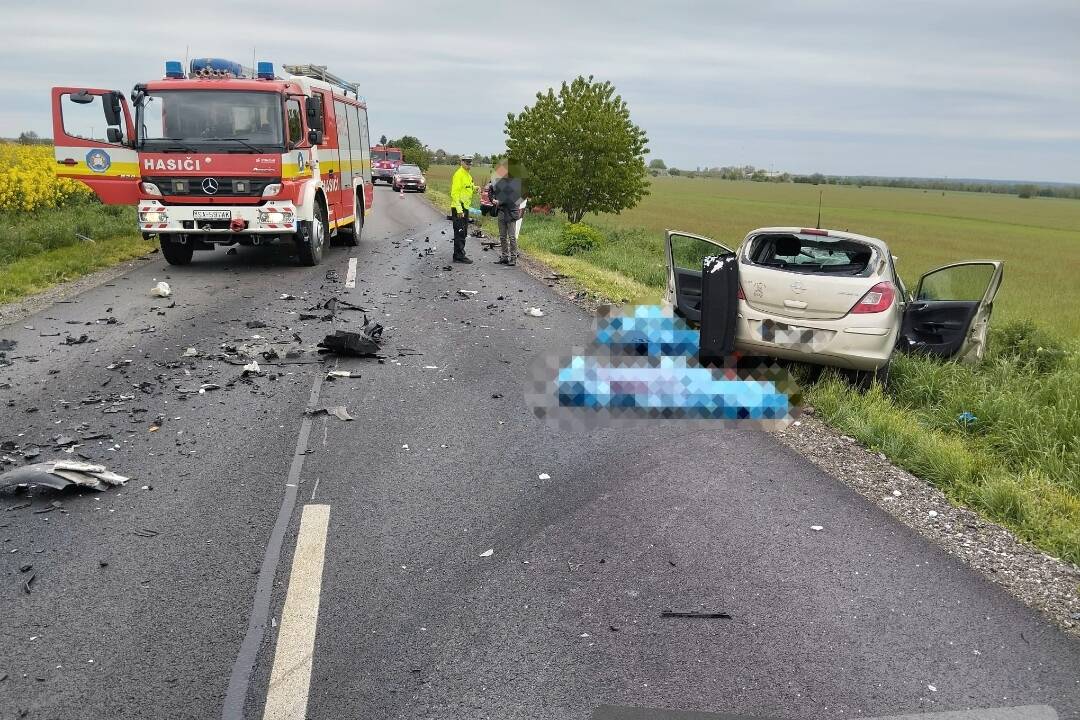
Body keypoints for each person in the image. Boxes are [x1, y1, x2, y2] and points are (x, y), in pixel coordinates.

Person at [491, 160, 524, 265]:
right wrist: (492, 198)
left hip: (511, 213)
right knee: (502, 236)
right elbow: (490, 190)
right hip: (501, 211)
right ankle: (505, 256)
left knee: (512, 237)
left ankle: (513, 258)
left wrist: (498, 201)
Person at [449, 156, 477, 263]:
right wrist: (459, 209)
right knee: (460, 231)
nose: (469, 165)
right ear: (462, 162)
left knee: (464, 231)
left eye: (470, 163)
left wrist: (475, 188)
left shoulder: (468, 175)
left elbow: (468, 187)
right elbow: (454, 193)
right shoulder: (458, 175)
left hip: (465, 207)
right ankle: (458, 256)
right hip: (459, 208)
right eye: (467, 163)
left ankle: (459, 253)